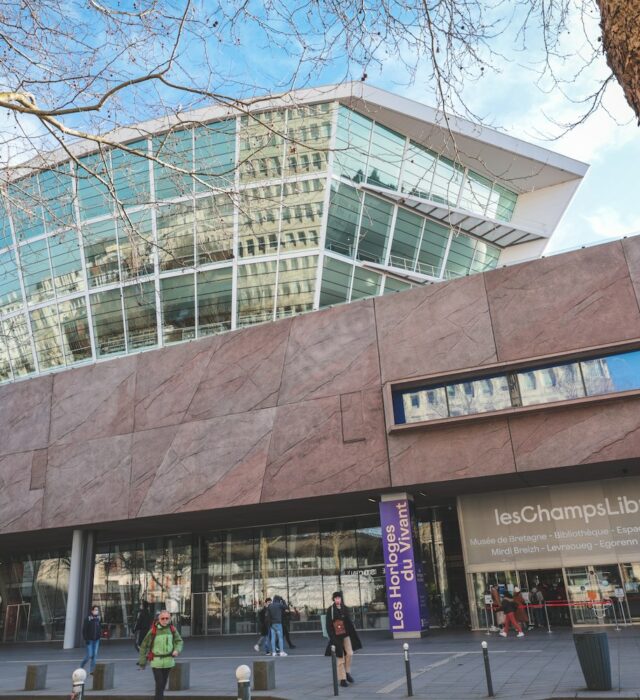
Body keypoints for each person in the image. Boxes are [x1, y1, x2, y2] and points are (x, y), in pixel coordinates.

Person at [137, 610, 184, 700]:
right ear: (159, 619)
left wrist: (177, 650)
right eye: (163, 618)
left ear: (170, 619)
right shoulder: (153, 631)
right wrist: (142, 663)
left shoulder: (172, 629)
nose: (165, 620)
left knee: (162, 684)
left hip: (168, 661)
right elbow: (144, 646)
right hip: (156, 662)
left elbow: (179, 641)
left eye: (167, 618)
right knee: (159, 684)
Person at [324, 591, 362, 687]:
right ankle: (342, 679)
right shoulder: (330, 610)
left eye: (339, 598)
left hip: (346, 635)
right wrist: (332, 637)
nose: (338, 600)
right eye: (336, 598)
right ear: (333, 599)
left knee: (349, 653)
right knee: (341, 657)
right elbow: (328, 625)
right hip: (337, 637)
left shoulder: (344, 608)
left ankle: (347, 672)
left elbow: (348, 621)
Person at [80, 605, 102, 673]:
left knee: (94, 655)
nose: (96, 611)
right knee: (89, 655)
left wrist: (100, 634)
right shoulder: (88, 618)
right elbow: (84, 629)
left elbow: (100, 627)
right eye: (95, 610)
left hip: (96, 640)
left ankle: (92, 670)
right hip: (90, 640)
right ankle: (81, 666)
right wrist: (86, 639)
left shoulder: (98, 618)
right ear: (92, 611)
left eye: (97, 610)